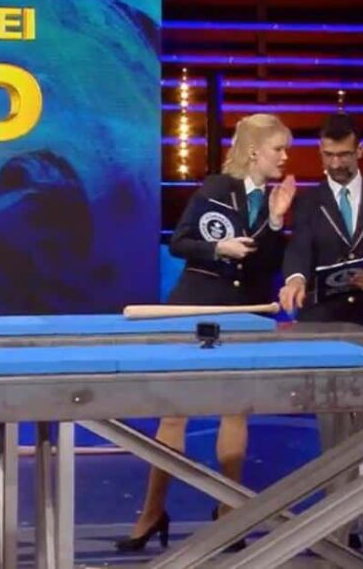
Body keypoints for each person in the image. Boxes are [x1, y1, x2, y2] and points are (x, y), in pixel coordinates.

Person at [116, 113, 297, 553]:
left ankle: (230, 513)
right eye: (279, 149)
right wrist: (219, 248)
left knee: (235, 410)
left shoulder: (271, 200)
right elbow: (180, 242)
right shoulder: (217, 189)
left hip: (244, 312)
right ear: (253, 151)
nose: (285, 158)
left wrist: (275, 222)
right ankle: (152, 511)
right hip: (197, 307)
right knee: (175, 412)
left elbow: (269, 264)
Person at [278, 112, 363, 558]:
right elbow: (298, 252)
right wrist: (295, 279)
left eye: (343, 155)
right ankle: (342, 521)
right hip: (327, 326)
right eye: (327, 155)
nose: (335, 163)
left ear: (360, 151)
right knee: (336, 432)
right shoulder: (309, 202)